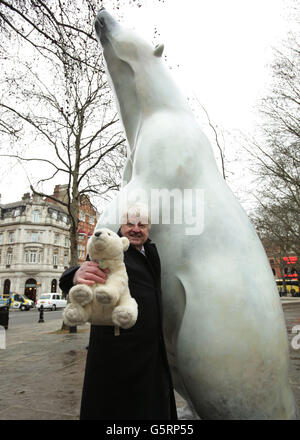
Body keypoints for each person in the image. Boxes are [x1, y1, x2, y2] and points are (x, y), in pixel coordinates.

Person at [59, 204, 177, 420]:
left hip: (151, 352)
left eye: (142, 225)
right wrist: (76, 275)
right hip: (118, 353)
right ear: (121, 227)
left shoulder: (150, 251)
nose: (136, 229)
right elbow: (80, 272)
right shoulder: (110, 249)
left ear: (148, 229)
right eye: (130, 224)